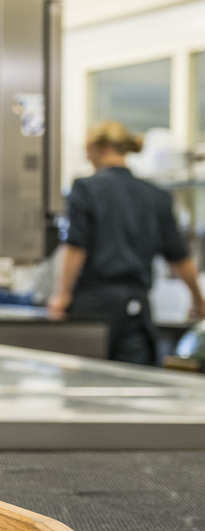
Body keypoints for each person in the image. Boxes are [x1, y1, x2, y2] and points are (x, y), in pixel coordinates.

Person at [48, 121, 205, 365]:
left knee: (87, 378)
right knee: (132, 378)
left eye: (88, 151)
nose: (88, 158)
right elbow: (179, 256)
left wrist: (61, 295)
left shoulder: (85, 188)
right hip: (137, 308)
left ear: (103, 148)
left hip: (93, 307)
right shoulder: (156, 195)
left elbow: (76, 247)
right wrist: (198, 299)